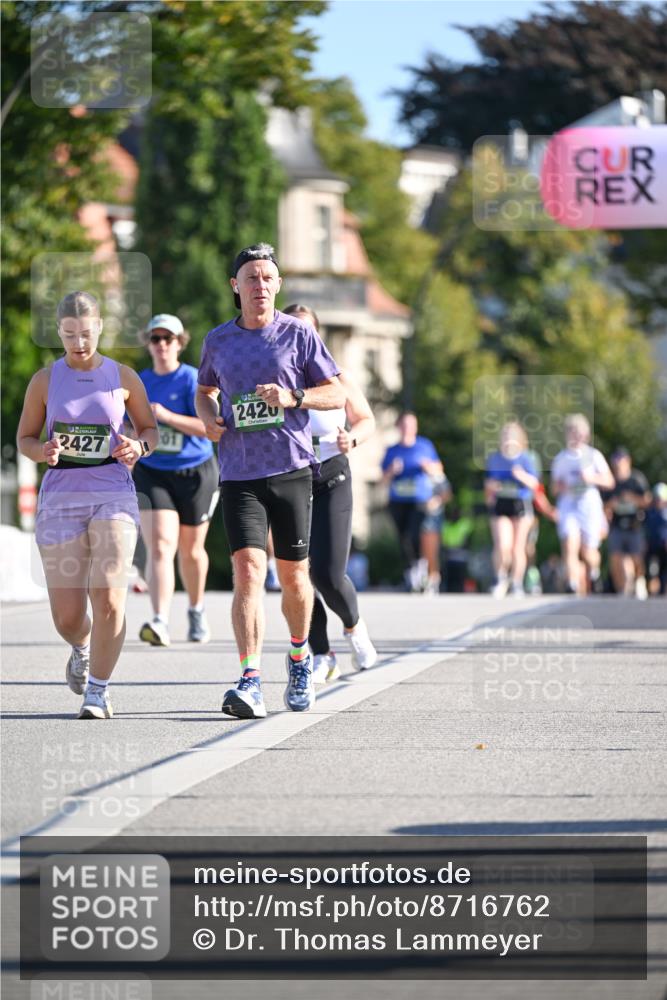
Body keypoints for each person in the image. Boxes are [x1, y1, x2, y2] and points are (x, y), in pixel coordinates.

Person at [195, 244, 344, 719]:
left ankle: (300, 657)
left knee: (294, 576)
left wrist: (293, 396)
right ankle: (250, 679)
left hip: (291, 470)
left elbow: (335, 390)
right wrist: (208, 420)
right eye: (251, 278)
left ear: (278, 285)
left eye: (267, 278)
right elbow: (205, 391)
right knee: (247, 574)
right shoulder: (218, 341)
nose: (259, 286)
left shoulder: (299, 335)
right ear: (234, 287)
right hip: (239, 473)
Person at [16, 291, 158, 719]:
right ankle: (80, 647)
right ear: (59, 332)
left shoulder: (123, 376)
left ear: (100, 328)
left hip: (113, 491)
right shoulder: (45, 380)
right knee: (69, 616)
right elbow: (24, 439)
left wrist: (139, 446)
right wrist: (45, 453)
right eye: (70, 334)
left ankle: (98, 690)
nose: (79, 342)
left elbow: (150, 430)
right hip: (62, 496)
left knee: (111, 593)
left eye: (87, 333)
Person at [283, 303, 378, 683]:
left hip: (332, 477)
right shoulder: (276, 380)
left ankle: (354, 627)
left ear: (317, 336)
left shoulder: (337, 378)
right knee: (298, 576)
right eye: (294, 331)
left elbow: (366, 419)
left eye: (308, 332)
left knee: (327, 573)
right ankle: (322, 654)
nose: (302, 339)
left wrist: (351, 438)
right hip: (290, 479)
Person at [133, 314, 220, 646]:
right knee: (160, 546)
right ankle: (160, 620)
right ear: (149, 344)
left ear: (180, 343)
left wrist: (167, 417)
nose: (162, 345)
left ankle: (196, 609)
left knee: (192, 550)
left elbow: (211, 430)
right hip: (153, 471)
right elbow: (129, 427)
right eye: (155, 339)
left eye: (168, 339)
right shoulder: (139, 382)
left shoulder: (192, 380)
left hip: (196, 470)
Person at [551, 414, 615, 595]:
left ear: (586, 435)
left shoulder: (593, 456)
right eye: (572, 432)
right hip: (569, 505)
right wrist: (560, 486)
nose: (576, 436)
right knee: (570, 544)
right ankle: (572, 583)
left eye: (579, 433)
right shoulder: (561, 458)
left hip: (589, 505)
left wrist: (591, 478)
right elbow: (554, 488)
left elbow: (610, 481)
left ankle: (593, 574)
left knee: (589, 551)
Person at [381, 413, 445, 593]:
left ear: (416, 427)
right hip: (398, 500)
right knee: (403, 537)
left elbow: (439, 469)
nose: (408, 428)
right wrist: (392, 471)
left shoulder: (425, 446)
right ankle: (410, 570)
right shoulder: (392, 450)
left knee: (414, 534)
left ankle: (419, 565)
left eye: (411, 425)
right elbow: (382, 479)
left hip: (419, 500)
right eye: (404, 425)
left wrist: (427, 467)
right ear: (398, 427)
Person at [485, 422, 540, 597]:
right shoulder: (494, 459)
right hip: (501, 504)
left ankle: (517, 582)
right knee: (503, 544)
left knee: (518, 547)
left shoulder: (527, 458)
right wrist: (491, 488)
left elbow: (535, 485)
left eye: (512, 435)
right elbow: (488, 484)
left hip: (521, 504)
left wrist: (521, 475)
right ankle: (500, 578)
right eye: (505, 435)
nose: (508, 439)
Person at [604, 447, 651, 599]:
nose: (618, 465)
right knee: (617, 558)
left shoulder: (636, 479)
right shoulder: (611, 482)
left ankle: (639, 580)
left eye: (621, 461)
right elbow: (604, 505)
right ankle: (623, 589)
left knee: (637, 558)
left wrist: (632, 498)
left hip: (634, 525)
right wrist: (613, 503)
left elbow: (647, 500)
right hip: (617, 526)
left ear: (628, 462)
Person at [645, 482, 667, 596]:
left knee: (664, 572)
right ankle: (652, 593)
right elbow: (646, 529)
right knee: (651, 571)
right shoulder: (650, 512)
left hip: (664, 547)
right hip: (652, 546)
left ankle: (663, 592)